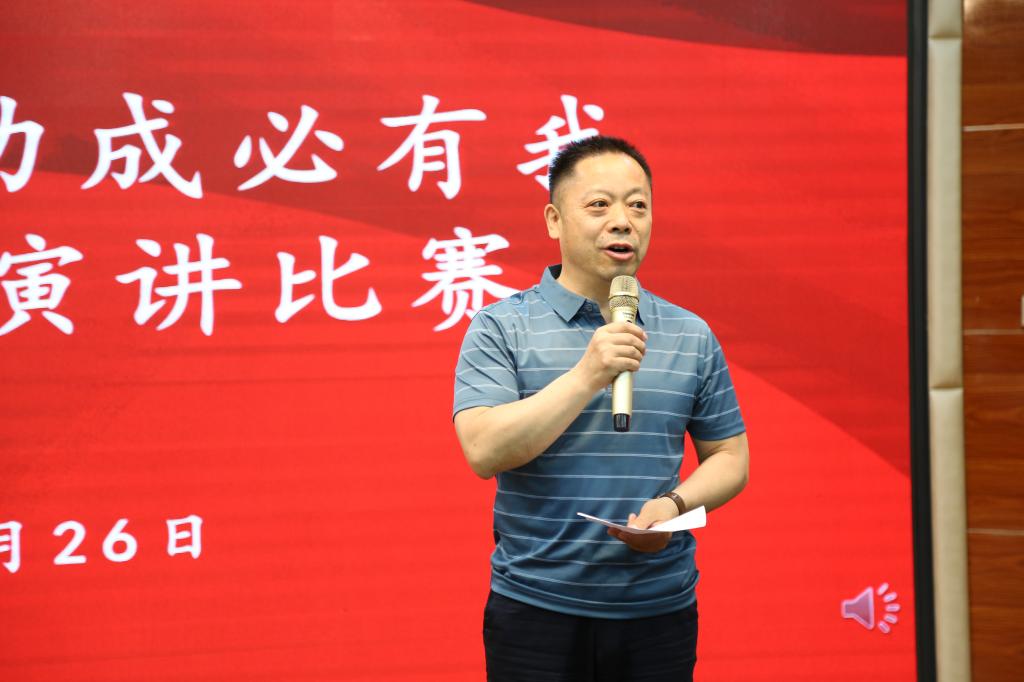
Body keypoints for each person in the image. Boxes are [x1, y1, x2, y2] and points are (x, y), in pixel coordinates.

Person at [452, 136, 749, 681]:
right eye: (599, 205)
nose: (622, 221)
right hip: (536, 612)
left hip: (659, 612)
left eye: (638, 205)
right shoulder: (501, 327)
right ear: (554, 220)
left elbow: (730, 456)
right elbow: (484, 450)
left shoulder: (690, 334)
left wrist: (675, 505)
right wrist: (588, 373)